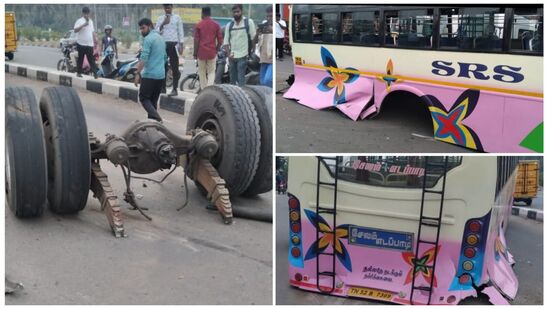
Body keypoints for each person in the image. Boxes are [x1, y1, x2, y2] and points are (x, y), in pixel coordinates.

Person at [135, 18, 167, 122]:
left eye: (143, 28)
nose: (142, 31)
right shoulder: (161, 38)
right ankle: (154, 126)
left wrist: (137, 73)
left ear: (150, 26)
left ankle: (157, 119)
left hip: (150, 75)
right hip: (160, 76)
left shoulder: (148, 39)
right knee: (153, 102)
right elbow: (165, 57)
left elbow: (143, 58)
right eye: (140, 29)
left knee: (143, 98)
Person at [155, 4, 184, 96]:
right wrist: (163, 23)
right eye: (166, 7)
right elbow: (156, 32)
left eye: (169, 7)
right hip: (163, 45)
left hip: (174, 44)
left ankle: (174, 89)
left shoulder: (177, 18)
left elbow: (180, 31)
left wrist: (181, 45)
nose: (167, 9)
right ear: (163, 8)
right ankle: (163, 88)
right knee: (162, 67)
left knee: (175, 67)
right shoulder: (160, 18)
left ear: (172, 7)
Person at [224, 4, 256, 86]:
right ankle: (234, 96)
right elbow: (226, 42)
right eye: (234, 12)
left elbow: (253, 38)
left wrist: (253, 50)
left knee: (241, 77)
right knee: (232, 79)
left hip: (243, 54)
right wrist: (228, 55)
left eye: (238, 12)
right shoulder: (229, 25)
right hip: (232, 56)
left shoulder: (248, 22)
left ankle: (242, 96)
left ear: (242, 11)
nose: (236, 14)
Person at [194, 6, 223, 90]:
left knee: (202, 72)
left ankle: (203, 90)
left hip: (201, 52)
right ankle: (209, 90)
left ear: (202, 13)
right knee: (211, 72)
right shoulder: (216, 24)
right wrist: (216, 50)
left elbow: (196, 40)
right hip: (212, 52)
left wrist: (195, 53)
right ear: (210, 14)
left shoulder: (199, 24)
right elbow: (220, 41)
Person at [73, 6, 99, 78]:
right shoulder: (79, 21)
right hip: (81, 43)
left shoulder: (91, 21)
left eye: (88, 13)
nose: (86, 15)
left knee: (91, 59)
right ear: (83, 13)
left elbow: (92, 31)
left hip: (89, 44)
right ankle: (79, 72)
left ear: (89, 13)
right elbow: (75, 30)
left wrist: (95, 39)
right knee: (80, 58)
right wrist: (83, 25)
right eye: (85, 14)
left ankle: (95, 73)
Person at [256, 6, 273, 87]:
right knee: (262, 82)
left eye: (271, 16)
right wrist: (257, 32)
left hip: (272, 59)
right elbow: (256, 41)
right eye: (267, 16)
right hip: (263, 58)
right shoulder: (264, 25)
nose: (269, 18)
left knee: (267, 80)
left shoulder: (276, 26)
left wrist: (272, 30)